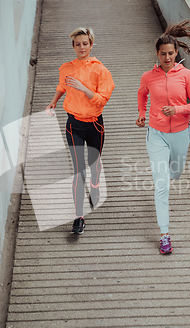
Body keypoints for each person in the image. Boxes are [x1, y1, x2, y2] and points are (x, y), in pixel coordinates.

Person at [136, 20, 190, 253]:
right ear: (157, 54)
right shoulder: (149, 77)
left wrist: (177, 109)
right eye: (163, 54)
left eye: (171, 54)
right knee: (161, 183)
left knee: (175, 173)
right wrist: (141, 114)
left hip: (181, 134)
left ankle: (172, 171)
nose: (167, 58)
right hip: (156, 134)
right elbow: (141, 94)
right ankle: (165, 234)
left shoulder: (186, 75)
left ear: (176, 53)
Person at [45, 27, 115, 234]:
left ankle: (95, 186)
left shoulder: (100, 70)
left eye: (85, 43)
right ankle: (79, 216)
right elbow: (62, 86)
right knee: (78, 170)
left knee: (93, 164)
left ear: (91, 45)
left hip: (94, 125)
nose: (81, 47)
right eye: (77, 44)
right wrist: (53, 102)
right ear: (73, 46)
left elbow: (103, 99)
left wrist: (83, 88)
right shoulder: (66, 68)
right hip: (73, 124)